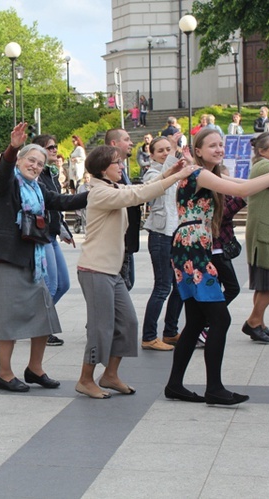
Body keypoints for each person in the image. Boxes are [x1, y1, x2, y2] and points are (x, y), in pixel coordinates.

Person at [165, 128, 269, 405]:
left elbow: (242, 182)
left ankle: (174, 385)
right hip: (192, 247)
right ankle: (214, 389)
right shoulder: (198, 173)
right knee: (220, 319)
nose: (219, 149)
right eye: (212, 146)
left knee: (195, 321)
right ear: (199, 150)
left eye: (221, 145)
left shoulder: (207, 174)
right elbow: (242, 189)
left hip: (192, 245)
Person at [77, 146, 193, 398]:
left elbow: (134, 190)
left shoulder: (114, 187)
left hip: (111, 271)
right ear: (101, 169)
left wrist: (168, 173)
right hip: (95, 269)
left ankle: (109, 375)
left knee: (128, 323)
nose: (122, 167)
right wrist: (176, 177)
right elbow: (138, 195)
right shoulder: (98, 192)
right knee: (101, 328)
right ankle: (85, 379)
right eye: (117, 163)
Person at [0, 123, 86, 393]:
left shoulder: (39, 189)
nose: (35, 166)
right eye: (31, 160)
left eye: (40, 163)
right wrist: (13, 146)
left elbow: (62, 202)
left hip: (34, 259)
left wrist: (95, 194)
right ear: (20, 160)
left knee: (43, 314)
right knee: (7, 319)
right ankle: (5, 374)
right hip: (7, 259)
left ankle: (35, 369)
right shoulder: (8, 184)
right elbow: (4, 171)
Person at [141, 135, 185, 351]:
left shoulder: (177, 170)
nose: (166, 153)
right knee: (162, 287)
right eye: (161, 150)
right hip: (160, 235)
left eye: (169, 149)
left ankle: (170, 332)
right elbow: (158, 187)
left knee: (179, 287)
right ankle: (149, 336)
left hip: (177, 234)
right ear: (151, 155)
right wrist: (173, 157)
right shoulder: (152, 172)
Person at [33, 134, 76, 347]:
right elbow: (52, 202)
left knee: (63, 285)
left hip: (52, 234)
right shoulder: (36, 176)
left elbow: (55, 205)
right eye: (50, 147)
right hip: (41, 236)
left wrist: (64, 229)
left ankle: (39, 322)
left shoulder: (51, 173)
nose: (54, 150)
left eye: (55, 146)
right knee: (50, 286)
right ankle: (42, 328)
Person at [243, 133, 269, 343]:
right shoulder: (263, 166)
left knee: (264, 284)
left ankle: (260, 323)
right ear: (261, 151)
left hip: (268, 232)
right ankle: (252, 322)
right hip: (266, 235)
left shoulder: (267, 166)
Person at [105, 129, 139, 290]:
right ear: (114, 143)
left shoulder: (122, 170)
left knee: (126, 285)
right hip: (117, 241)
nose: (131, 143)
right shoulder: (108, 174)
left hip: (126, 241)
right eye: (126, 139)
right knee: (121, 287)